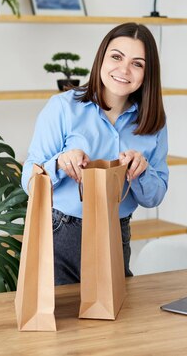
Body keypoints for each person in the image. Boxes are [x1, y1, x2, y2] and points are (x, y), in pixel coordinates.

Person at [21, 22, 169, 285]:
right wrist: (58, 163)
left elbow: (154, 197)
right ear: (101, 58)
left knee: (114, 323)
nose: (124, 70)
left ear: (148, 73)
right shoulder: (63, 108)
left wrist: (141, 172)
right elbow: (29, 182)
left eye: (137, 64)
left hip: (116, 233)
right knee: (59, 322)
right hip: (60, 234)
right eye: (116, 57)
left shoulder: (153, 122)